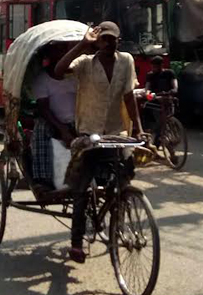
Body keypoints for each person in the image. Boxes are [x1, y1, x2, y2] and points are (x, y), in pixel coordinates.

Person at [54, 21, 144, 263]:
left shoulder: (126, 61)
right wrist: (83, 45)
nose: (107, 43)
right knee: (81, 189)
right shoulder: (85, 63)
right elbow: (58, 71)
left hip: (116, 132)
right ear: (97, 41)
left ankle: (119, 214)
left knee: (126, 175)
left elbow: (128, 97)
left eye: (111, 39)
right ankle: (76, 242)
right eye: (102, 39)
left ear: (118, 41)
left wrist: (141, 129)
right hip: (89, 132)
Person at [30, 41, 77, 190]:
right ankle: (43, 179)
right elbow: (44, 109)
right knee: (41, 130)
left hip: (77, 120)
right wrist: (62, 129)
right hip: (52, 121)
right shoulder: (42, 79)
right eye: (57, 50)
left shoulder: (76, 75)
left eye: (64, 49)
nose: (62, 53)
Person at [143, 55, 178, 142]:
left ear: (161, 65)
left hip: (168, 98)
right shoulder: (150, 75)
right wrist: (148, 94)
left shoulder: (169, 73)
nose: (154, 68)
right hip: (156, 101)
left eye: (156, 66)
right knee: (160, 122)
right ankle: (158, 141)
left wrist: (173, 90)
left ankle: (165, 134)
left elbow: (175, 85)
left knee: (167, 118)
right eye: (153, 66)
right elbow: (147, 88)